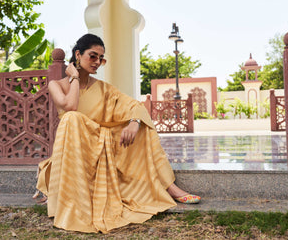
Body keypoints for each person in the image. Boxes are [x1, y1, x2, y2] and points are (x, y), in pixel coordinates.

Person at [35, 33, 200, 233]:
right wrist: (75, 77)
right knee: (72, 119)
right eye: (92, 56)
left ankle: (170, 187)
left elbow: (132, 105)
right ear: (78, 55)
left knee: (141, 129)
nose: (97, 62)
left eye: (101, 59)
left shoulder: (104, 88)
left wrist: (134, 122)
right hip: (77, 147)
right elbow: (70, 107)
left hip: (101, 141)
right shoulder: (57, 85)